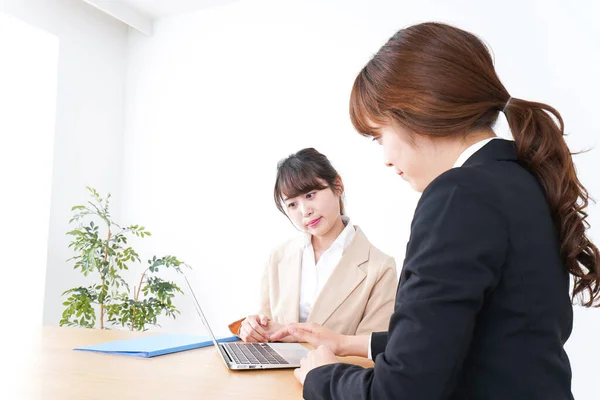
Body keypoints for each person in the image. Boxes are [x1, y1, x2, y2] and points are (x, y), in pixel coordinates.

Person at [271, 22, 600, 399]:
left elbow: (401, 391)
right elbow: (478, 331)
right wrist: (351, 343)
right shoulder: (520, 177)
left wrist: (323, 376)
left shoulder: (458, 194)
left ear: (418, 112)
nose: (386, 159)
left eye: (380, 136)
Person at [228, 147, 397, 342]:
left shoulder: (380, 268)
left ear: (338, 185)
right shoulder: (279, 256)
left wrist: (292, 334)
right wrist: (253, 328)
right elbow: (267, 328)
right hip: (275, 372)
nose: (305, 211)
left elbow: (370, 350)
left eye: (310, 195)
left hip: (334, 372)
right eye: (292, 204)